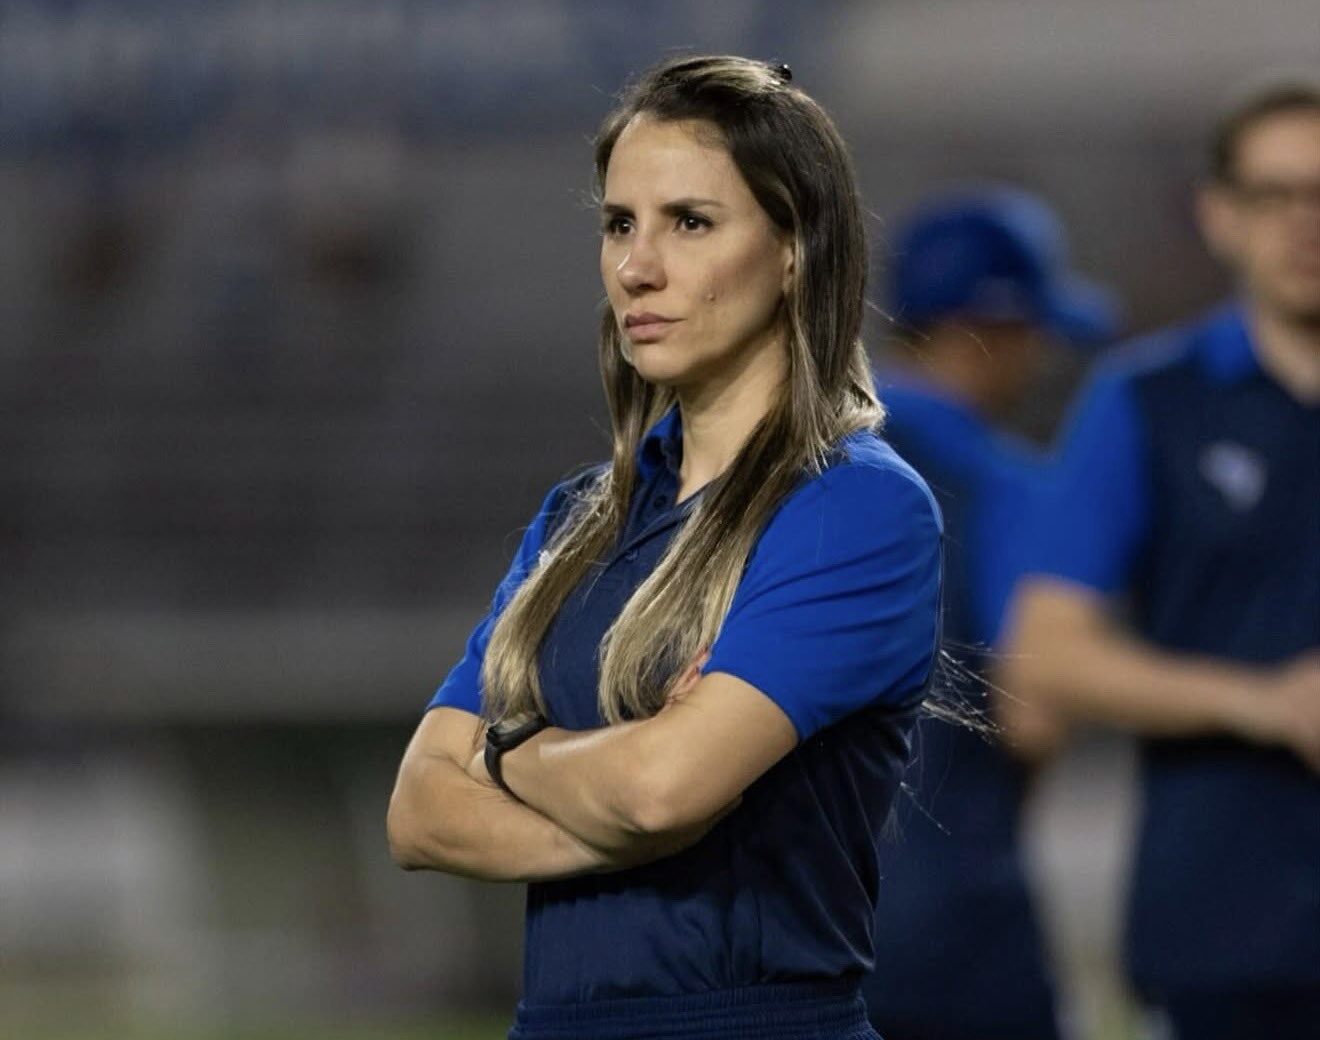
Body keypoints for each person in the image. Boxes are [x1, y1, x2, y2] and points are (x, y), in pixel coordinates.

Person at [387, 55, 943, 1040]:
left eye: (690, 222)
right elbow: (419, 812)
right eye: (619, 224)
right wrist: (601, 805)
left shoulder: (857, 507)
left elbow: (658, 790)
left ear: (795, 250)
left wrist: (503, 748)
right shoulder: (578, 518)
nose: (636, 268)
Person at [1002, 79, 1320, 1038]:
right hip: (1230, 928)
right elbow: (1046, 652)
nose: (1304, 223)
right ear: (1220, 216)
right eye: (1274, 195)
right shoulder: (1149, 400)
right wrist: (1267, 703)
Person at [860, 188, 1118, 1040]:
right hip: (954, 924)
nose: (1041, 354)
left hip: (778, 919)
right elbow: (1034, 714)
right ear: (989, 329)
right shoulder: (1001, 482)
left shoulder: (788, 457)